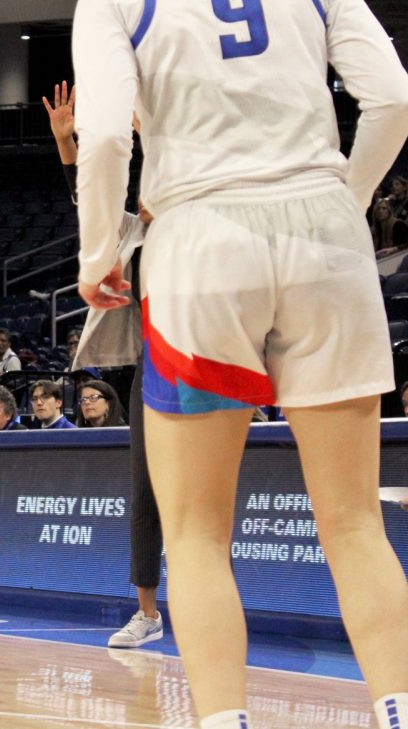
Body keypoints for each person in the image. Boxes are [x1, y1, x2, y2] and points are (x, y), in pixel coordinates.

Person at [73, 2, 408, 727]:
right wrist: (341, 207)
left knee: (194, 534)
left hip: (200, 240)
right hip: (326, 236)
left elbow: (101, 138)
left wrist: (97, 253)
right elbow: (394, 99)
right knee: (354, 523)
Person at [45, 79, 160, 648]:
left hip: (213, 362)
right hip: (156, 371)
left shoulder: (205, 227)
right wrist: (68, 144)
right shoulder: (134, 236)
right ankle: (147, 613)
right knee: (145, 495)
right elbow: (87, 201)